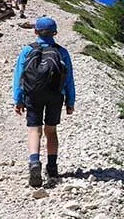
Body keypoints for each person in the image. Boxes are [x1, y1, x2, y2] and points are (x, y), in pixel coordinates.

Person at [12, 17, 76, 187]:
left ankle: (34, 163)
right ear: (55, 32)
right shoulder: (62, 52)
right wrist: (70, 101)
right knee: (51, 131)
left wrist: (18, 99)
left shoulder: (27, 50)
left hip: (33, 95)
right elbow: (69, 79)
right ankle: (52, 167)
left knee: (34, 130)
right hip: (56, 95)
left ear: (36, 31)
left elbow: (19, 77)